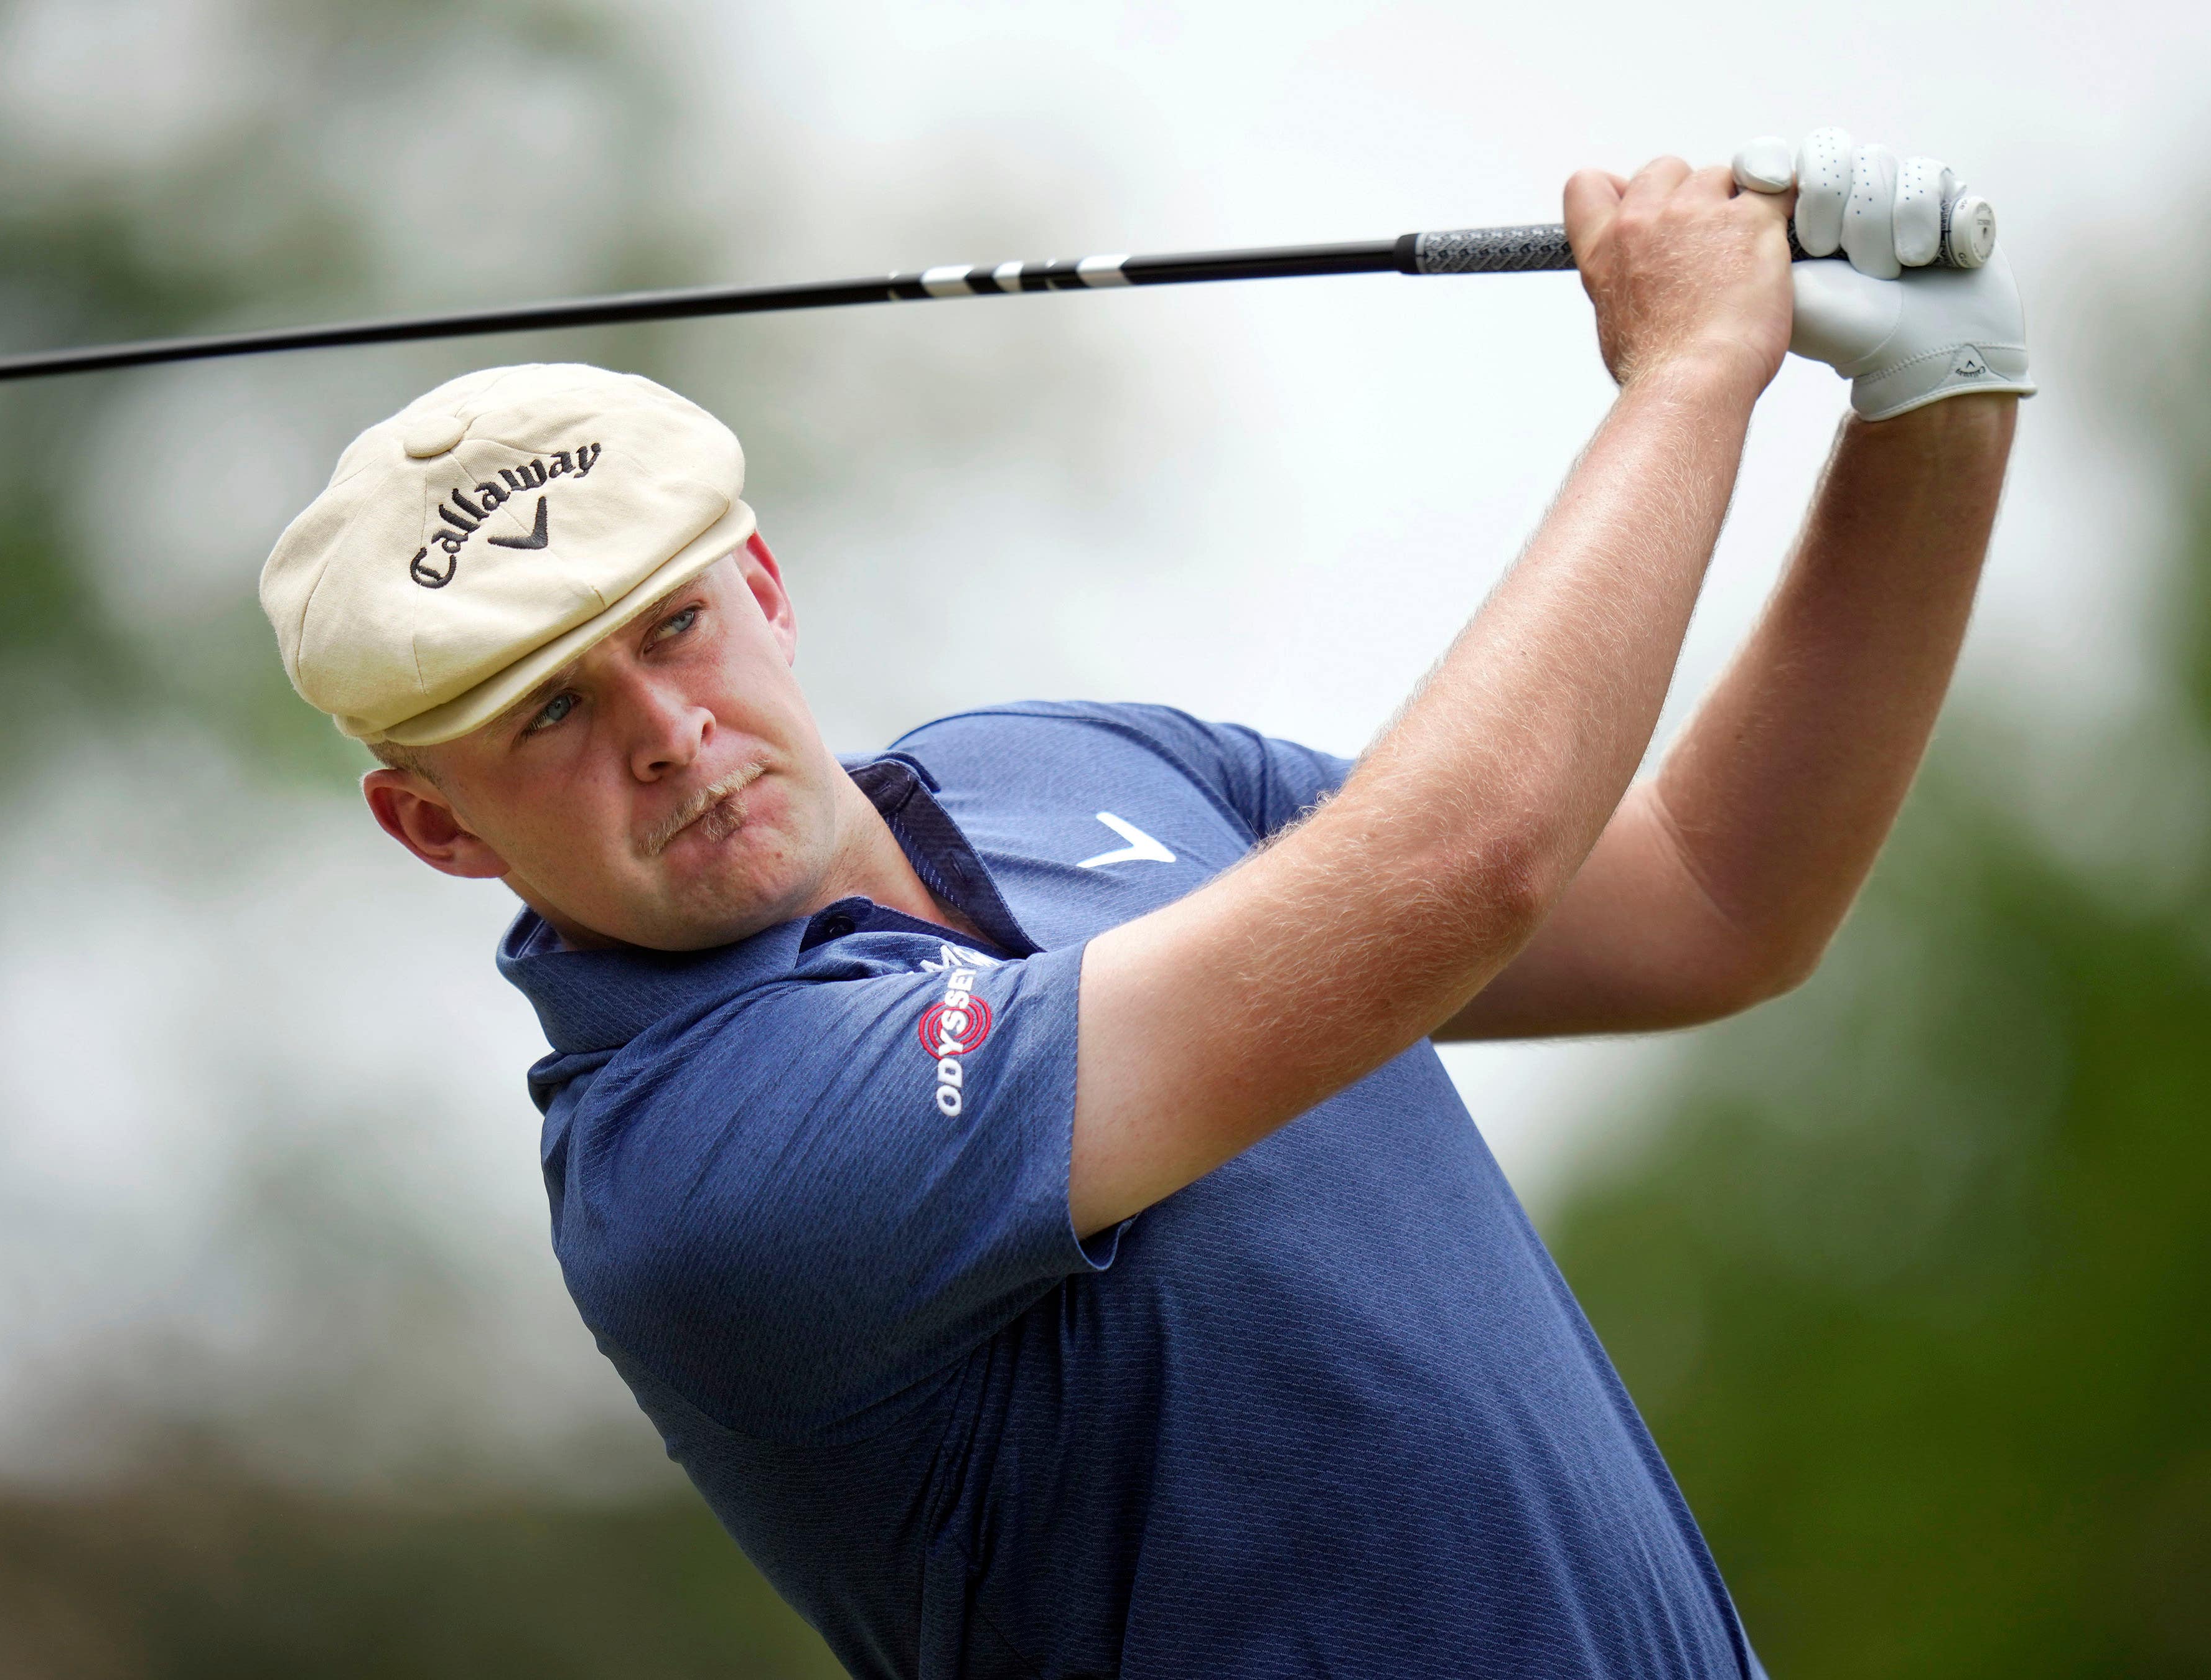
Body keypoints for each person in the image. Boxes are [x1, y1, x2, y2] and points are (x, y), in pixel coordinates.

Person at [257, 127, 2029, 1679]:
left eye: (673, 627)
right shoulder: (702, 1162)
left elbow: (1712, 897)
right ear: (435, 826)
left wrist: (1932, 403)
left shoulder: (1052, 764)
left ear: (767, 587)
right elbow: (1451, 871)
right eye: (550, 711)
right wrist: (1687, 379)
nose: (665, 731)